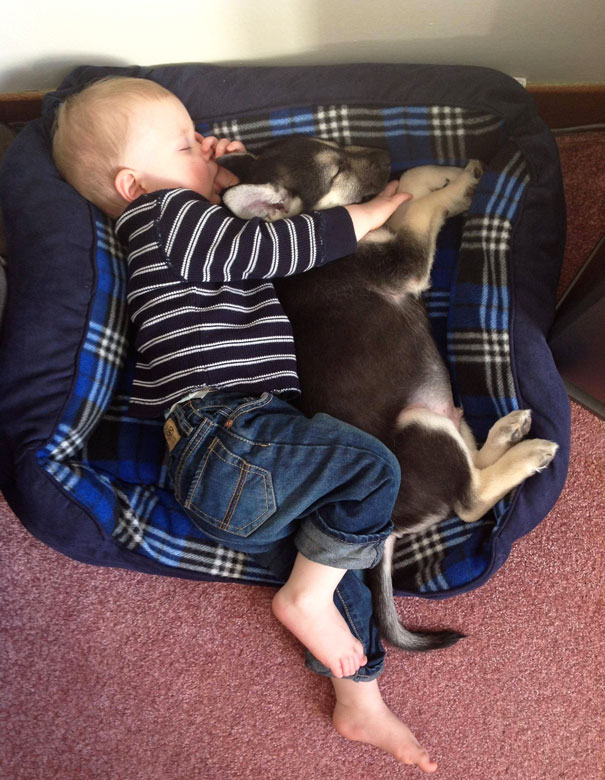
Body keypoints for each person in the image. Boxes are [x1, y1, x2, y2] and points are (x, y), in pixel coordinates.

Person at [52, 76, 437, 772]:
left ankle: (359, 697)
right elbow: (266, 248)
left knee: (333, 569)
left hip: (231, 475)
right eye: (184, 144)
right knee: (371, 468)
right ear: (132, 183)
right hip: (232, 432)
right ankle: (306, 605)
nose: (203, 145)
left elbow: (233, 231)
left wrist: (222, 171)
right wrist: (368, 214)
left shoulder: (173, 231)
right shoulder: (163, 215)